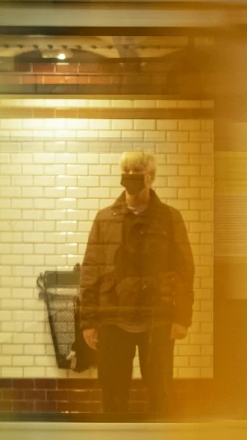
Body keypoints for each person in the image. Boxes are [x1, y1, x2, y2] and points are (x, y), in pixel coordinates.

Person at [78, 150, 194, 420]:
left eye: (136, 172)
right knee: (113, 392)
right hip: (113, 316)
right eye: (126, 171)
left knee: (160, 392)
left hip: (158, 317)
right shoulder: (105, 218)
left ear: (150, 177)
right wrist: (88, 321)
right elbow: (91, 269)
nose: (129, 177)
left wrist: (182, 317)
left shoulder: (170, 218)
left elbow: (185, 269)